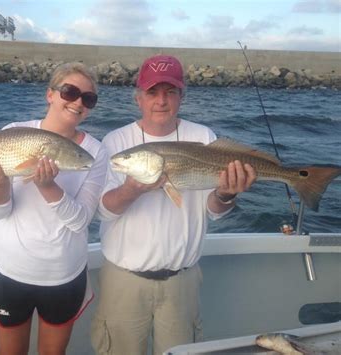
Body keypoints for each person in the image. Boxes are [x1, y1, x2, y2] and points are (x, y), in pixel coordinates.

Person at [91, 54, 257, 355]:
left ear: (182, 96)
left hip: (183, 281)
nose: (161, 101)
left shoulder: (204, 136)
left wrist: (226, 194)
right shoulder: (115, 142)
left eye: (170, 92)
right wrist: (131, 190)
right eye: (152, 92)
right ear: (138, 98)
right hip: (124, 281)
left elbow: (212, 210)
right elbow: (102, 209)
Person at [0, 62, 107, 355]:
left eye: (88, 98)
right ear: (50, 94)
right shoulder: (13, 132)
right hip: (9, 269)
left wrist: (48, 186)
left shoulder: (95, 154)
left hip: (63, 276)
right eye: (70, 92)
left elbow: (80, 221)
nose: (77, 102)